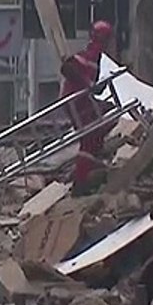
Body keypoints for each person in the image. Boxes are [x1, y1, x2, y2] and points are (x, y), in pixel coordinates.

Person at [59, 20, 115, 194]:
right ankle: (80, 182)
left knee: (96, 135)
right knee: (90, 138)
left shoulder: (96, 57)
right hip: (75, 100)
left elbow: (90, 83)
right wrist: (87, 85)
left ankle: (86, 173)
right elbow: (66, 67)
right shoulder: (89, 54)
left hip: (81, 99)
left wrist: (97, 87)